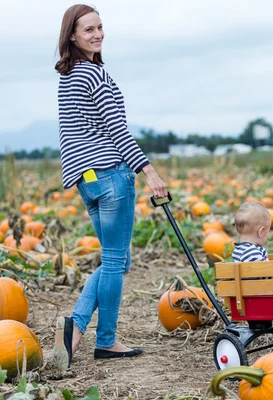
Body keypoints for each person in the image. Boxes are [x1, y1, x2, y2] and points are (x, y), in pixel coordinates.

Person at [52, 4, 167, 369]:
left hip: (87, 181)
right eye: (89, 30)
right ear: (72, 35)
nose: (98, 34)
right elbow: (118, 130)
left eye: (100, 27)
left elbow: (69, 135)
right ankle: (105, 340)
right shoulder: (94, 76)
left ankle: (75, 330)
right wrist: (148, 171)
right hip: (112, 176)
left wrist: (79, 176)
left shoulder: (69, 76)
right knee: (116, 260)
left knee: (116, 259)